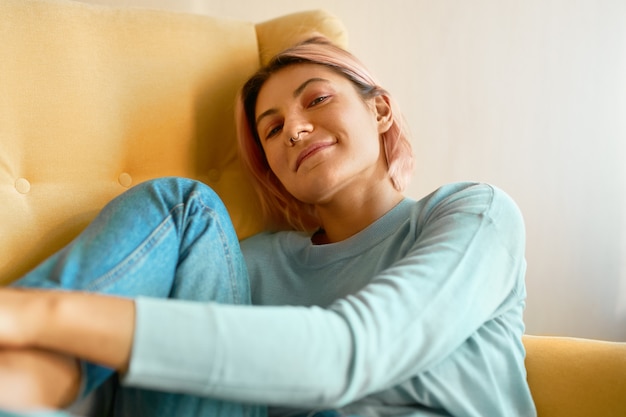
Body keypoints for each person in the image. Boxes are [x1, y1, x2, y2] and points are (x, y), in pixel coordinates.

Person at [0, 37, 536, 417]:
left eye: (318, 99)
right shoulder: (242, 265)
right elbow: (129, 377)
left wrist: (41, 310)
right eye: (273, 129)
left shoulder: (472, 215)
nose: (296, 130)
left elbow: (354, 352)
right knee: (184, 205)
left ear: (380, 111)